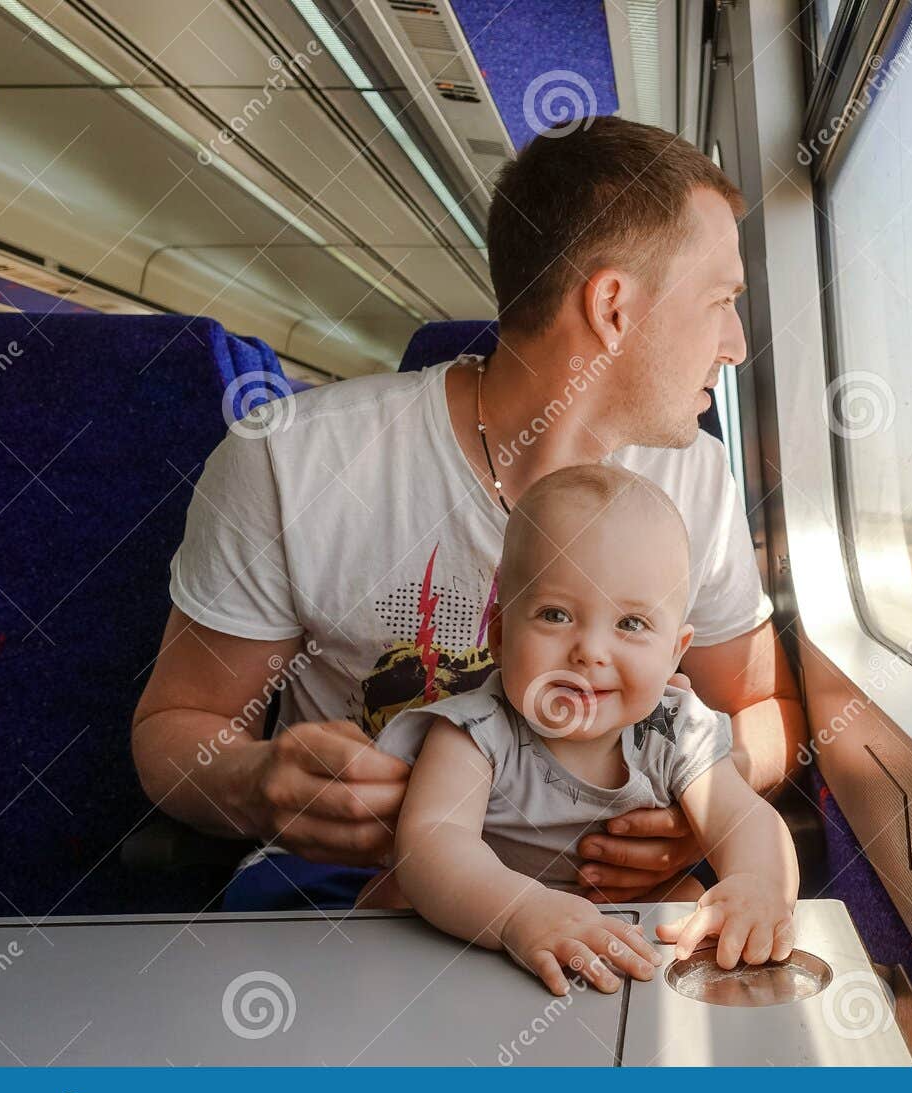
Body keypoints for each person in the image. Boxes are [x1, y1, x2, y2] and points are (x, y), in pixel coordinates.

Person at [131, 115, 807, 910]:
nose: (734, 342)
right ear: (614, 307)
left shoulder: (695, 480)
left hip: (600, 904)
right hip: (358, 903)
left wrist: (702, 804)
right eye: (722, 301)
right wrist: (255, 782)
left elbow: (768, 708)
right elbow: (177, 728)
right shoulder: (292, 458)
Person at [370, 464, 798, 995]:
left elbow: (745, 819)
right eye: (554, 615)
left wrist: (756, 885)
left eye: (631, 624)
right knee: (394, 899)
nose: (591, 651)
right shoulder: (477, 729)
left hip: (622, 929)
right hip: (489, 917)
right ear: (500, 635)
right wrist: (519, 912)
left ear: (675, 653)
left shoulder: (673, 728)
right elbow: (432, 846)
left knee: (691, 901)